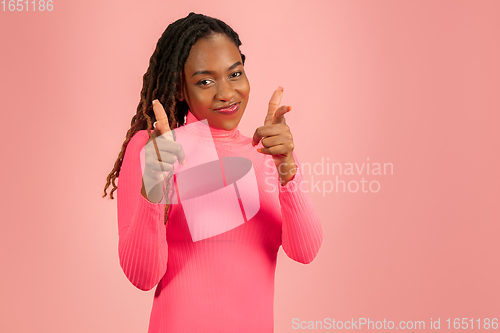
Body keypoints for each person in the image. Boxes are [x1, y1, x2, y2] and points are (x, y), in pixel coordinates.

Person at [102, 12, 323, 333]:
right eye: (205, 81)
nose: (226, 93)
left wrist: (288, 169)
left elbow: (305, 252)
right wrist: (153, 187)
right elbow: (142, 276)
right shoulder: (155, 150)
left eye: (235, 74)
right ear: (179, 89)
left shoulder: (268, 154)